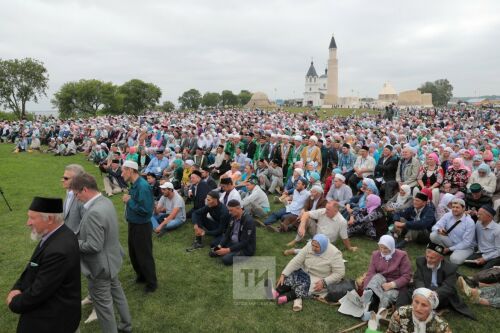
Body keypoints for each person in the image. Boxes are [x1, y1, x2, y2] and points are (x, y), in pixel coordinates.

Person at [7, 197, 81, 333]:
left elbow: (39, 292)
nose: (27, 223)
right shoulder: (55, 235)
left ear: (50, 219)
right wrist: (17, 287)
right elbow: (33, 266)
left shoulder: (58, 250)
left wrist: (14, 302)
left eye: (32, 218)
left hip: (52, 322)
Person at [70, 173, 132, 332]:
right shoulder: (105, 201)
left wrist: (71, 243)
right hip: (112, 260)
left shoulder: (93, 212)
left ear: (84, 189)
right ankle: (126, 325)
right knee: (118, 294)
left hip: (100, 267)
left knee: (104, 309)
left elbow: (94, 245)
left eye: (76, 194)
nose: (76, 198)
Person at [395, 242, 475, 319]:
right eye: (427, 256)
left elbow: (448, 287)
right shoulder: (421, 261)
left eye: (432, 258)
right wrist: (422, 291)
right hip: (424, 289)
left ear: (441, 258)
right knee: (404, 292)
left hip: (439, 294)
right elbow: (418, 278)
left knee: (435, 296)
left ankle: (422, 316)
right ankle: (398, 313)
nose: (428, 260)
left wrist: (435, 293)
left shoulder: (450, 268)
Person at [267, 234, 345, 312]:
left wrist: (324, 282)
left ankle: (286, 298)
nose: (313, 248)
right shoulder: (309, 245)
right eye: (313, 245)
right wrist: (284, 274)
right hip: (305, 271)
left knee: (306, 287)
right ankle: (276, 292)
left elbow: (339, 273)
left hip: (320, 277)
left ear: (323, 246)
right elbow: (297, 260)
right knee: (291, 277)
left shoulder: (335, 253)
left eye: (316, 247)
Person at [121, 160, 158, 293]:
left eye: (123, 170)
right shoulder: (135, 184)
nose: (121, 173)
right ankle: (142, 276)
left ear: (130, 170)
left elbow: (146, 210)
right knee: (134, 253)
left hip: (141, 226)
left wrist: (129, 200)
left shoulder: (142, 186)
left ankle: (151, 283)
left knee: (144, 255)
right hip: (134, 224)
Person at [360, 235, 412, 319]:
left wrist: (392, 284)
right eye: (381, 247)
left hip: (395, 287)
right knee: (376, 277)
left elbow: (407, 276)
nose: (382, 250)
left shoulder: (402, 256)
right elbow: (370, 273)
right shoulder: (375, 254)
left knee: (386, 296)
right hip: (380, 282)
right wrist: (365, 288)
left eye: (385, 248)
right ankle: (368, 298)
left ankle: (379, 314)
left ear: (391, 247)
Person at [286, 201, 357, 254]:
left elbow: (344, 237)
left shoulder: (342, 221)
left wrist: (349, 248)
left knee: (317, 252)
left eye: (328, 210)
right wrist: (302, 226)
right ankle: (296, 240)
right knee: (307, 219)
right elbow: (305, 214)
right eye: (326, 208)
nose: (326, 211)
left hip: (327, 241)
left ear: (336, 211)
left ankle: (295, 251)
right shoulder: (323, 211)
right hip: (316, 233)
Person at [210, 199, 256, 266]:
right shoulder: (233, 217)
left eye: (231, 210)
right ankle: (228, 251)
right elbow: (227, 234)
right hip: (232, 242)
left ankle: (230, 253)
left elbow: (244, 242)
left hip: (244, 247)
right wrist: (220, 246)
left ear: (238, 208)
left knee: (226, 260)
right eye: (229, 210)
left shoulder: (248, 221)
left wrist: (227, 250)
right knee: (213, 247)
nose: (229, 212)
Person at [430, 198, 475, 265]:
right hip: (451, 241)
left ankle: (449, 251)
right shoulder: (448, 215)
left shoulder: (469, 222)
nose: (454, 209)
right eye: (453, 207)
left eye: (457, 207)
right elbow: (435, 227)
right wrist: (439, 229)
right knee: (433, 235)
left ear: (463, 208)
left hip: (465, 247)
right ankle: (447, 250)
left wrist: (449, 249)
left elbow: (466, 243)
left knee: (454, 260)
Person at [388, 288, 452, 333]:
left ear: (431, 308)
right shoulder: (401, 313)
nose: (418, 308)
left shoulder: (441, 326)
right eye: (416, 302)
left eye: (424, 305)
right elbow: (391, 331)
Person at [464, 205, 500, 269]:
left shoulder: (497, 230)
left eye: (480, 214)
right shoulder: (478, 223)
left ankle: (489, 264)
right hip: (481, 252)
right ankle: (488, 264)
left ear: (489, 217)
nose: (478, 216)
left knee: (485, 270)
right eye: (478, 213)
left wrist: (485, 258)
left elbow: (498, 250)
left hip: (495, 255)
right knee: (467, 262)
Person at [61, 164, 85, 233]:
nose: (62, 180)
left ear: (77, 180)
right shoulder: (69, 193)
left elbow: (86, 225)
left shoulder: (82, 198)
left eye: (66, 178)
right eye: (63, 177)